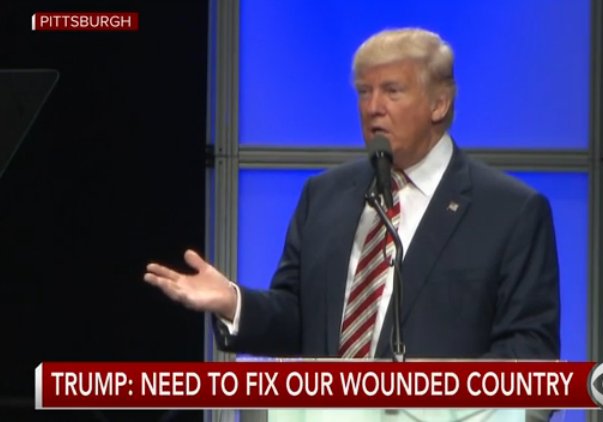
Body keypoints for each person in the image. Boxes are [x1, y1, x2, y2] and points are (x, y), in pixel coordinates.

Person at [144, 28, 560, 360]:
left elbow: (529, 354)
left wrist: (434, 397)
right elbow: (297, 318)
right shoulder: (324, 195)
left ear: (439, 104)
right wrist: (234, 303)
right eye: (364, 91)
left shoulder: (509, 211)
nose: (373, 106)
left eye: (392, 91)